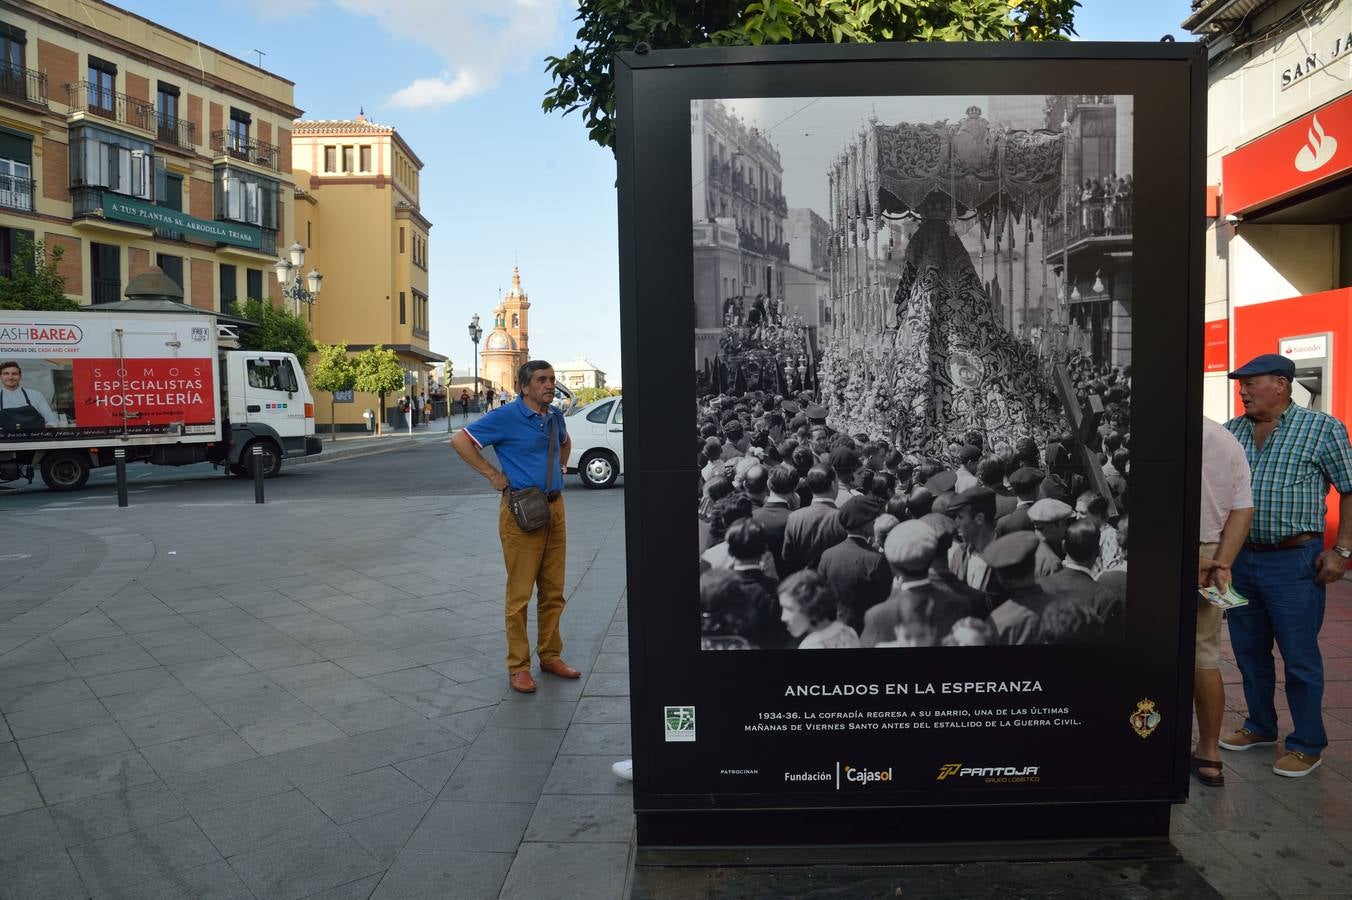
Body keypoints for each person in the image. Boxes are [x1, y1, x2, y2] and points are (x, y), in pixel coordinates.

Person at [1221, 353, 1352, 777]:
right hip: (1241, 560)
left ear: (1280, 384)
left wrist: (1343, 551)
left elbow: (1350, 490)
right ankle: (1260, 725)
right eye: (1240, 384)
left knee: (1299, 656)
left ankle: (1307, 743)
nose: (1241, 391)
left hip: (1294, 561)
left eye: (1249, 383)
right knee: (1248, 650)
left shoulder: (1322, 429)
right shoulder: (1231, 432)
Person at [450, 360, 578, 694]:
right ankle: (518, 666)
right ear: (524, 387)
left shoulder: (555, 417)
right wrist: (493, 474)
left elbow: (565, 443)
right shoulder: (506, 416)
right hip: (521, 512)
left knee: (553, 592)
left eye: (552, 379)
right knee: (520, 595)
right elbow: (461, 441)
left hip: (555, 508)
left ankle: (550, 655)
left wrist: (560, 467)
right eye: (541, 380)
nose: (549, 385)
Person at [1191, 416, 1253, 788]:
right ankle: (1209, 752)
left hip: (1164, 547)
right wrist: (1221, 563)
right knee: (1205, 652)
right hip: (1212, 549)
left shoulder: (1160, 430)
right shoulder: (1224, 437)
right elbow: (1243, 507)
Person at [817, 496, 891, 633]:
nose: (875, 523)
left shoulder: (827, 555)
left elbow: (823, 596)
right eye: (873, 520)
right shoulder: (876, 559)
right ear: (864, 525)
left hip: (837, 627)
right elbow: (885, 600)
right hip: (869, 630)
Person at [779, 570, 859, 649]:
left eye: (788, 608)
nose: (783, 617)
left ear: (809, 605)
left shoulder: (810, 646)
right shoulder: (849, 632)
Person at [0, 361, 59, 431]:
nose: (10, 377)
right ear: (1, 376)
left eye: (14, 374)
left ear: (20, 376)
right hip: (6, 440)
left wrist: (44, 430)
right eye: (6, 374)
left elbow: (52, 421)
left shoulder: (36, 395)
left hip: (34, 439)